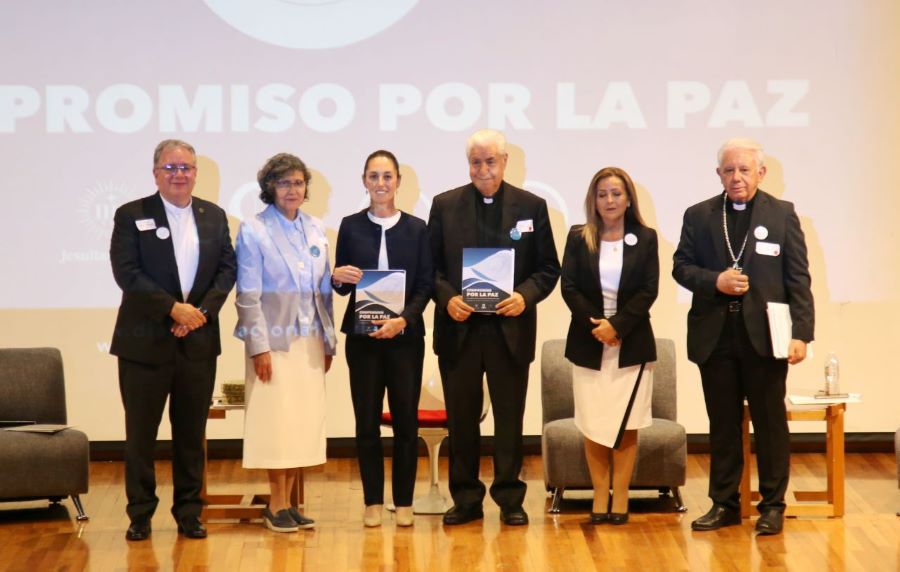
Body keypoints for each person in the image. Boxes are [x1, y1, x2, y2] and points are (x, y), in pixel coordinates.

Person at [673, 138, 814, 535]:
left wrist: (801, 333)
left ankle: (772, 505)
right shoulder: (699, 215)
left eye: (744, 170)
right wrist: (714, 280)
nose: (736, 177)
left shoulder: (782, 215)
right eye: (729, 170)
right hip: (715, 335)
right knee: (723, 424)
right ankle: (725, 503)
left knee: (770, 425)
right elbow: (681, 268)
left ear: (761, 173)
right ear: (718, 174)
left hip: (766, 336)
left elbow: (798, 278)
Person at [428, 129, 560, 526]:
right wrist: (447, 297)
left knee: (509, 418)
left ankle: (509, 497)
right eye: (475, 162)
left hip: (510, 331)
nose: (482, 170)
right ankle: (466, 498)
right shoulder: (444, 205)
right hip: (459, 329)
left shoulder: (531, 206)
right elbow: (428, 269)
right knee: (461, 420)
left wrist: (524, 295)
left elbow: (548, 269)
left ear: (505, 162)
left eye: (490, 161)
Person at [110, 139, 236, 541]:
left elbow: (227, 270)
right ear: (155, 172)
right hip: (144, 344)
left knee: (190, 435)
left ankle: (188, 512)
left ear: (196, 173)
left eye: (186, 167)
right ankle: (140, 515)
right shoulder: (132, 215)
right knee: (141, 436)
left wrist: (198, 313)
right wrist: (171, 309)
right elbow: (126, 272)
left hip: (197, 342)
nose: (179, 174)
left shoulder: (214, 216)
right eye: (171, 167)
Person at [234, 153, 337, 533]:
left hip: (310, 340)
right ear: (269, 188)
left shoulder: (315, 229)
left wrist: (329, 341)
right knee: (276, 422)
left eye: (298, 182)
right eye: (283, 183)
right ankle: (276, 504)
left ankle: (290, 503)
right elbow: (247, 294)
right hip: (273, 342)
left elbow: (323, 290)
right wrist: (257, 346)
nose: (292, 189)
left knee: (302, 423)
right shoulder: (253, 230)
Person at [332, 150, 433, 528]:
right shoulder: (351, 225)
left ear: (398, 181)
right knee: (366, 422)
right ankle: (373, 501)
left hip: (405, 338)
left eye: (387, 176)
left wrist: (404, 320)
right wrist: (337, 277)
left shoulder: (417, 228)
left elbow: (425, 285)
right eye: (373, 176)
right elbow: (342, 287)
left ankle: (404, 501)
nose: (380, 183)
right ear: (364, 181)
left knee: (407, 422)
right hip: (363, 338)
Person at [560, 167, 658, 525]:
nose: (610, 200)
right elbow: (569, 286)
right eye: (602, 194)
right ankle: (600, 495)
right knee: (593, 421)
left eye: (616, 193)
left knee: (626, 422)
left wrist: (616, 326)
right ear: (593, 200)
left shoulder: (645, 238)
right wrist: (599, 327)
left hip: (630, 342)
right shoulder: (578, 236)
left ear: (628, 198)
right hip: (589, 341)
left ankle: (622, 497)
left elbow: (649, 290)